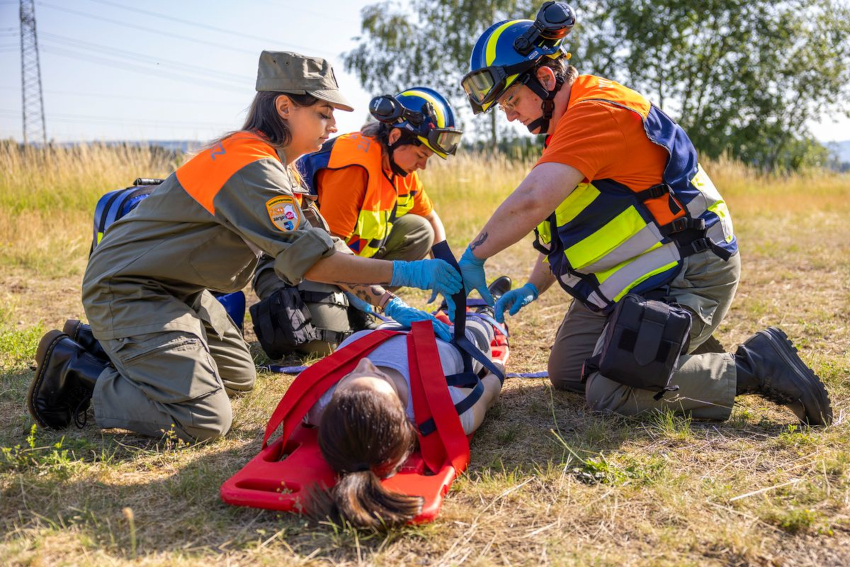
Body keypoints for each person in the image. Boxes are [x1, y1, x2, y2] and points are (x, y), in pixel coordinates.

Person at [27, 51, 462, 442]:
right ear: (285, 107)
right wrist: (406, 272)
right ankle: (80, 375)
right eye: (324, 113)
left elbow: (329, 247)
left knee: (239, 378)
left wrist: (391, 305)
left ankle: (105, 344)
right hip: (129, 289)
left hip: (177, 291)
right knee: (203, 418)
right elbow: (318, 264)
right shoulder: (251, 166)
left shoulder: (279, 167)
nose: (334, 126)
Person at [456, 3, 832, 425]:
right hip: (648, 274)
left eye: (511, 99)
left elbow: (531, 202)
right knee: (568, 371)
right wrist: (531, 287)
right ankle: (668, 347)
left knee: (609, 391)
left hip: (691, 272)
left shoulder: (595, 112)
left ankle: (754, 366)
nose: (508, 115)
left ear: (544, 78)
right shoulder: (567, 125)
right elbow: (566, 223)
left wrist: (473, 257)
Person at [250, 87, 462, 356]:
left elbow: (430, 218)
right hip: (295, 268)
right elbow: (328, 258)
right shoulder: (354, 168)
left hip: (343, 263)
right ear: (395, 136)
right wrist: (389, 303)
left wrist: (448, 266)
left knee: (420, 231)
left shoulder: (401, 168)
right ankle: (356, 305)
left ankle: (358, 303)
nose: (422, 166)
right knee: (323, 344)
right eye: (421, 156)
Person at [304, 297, 505, 529]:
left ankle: (446, 307)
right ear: (404, 419)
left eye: (349, 377)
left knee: (436, 311)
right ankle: (487, 310)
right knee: (477, 325)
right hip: (457, 339)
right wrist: (496, 372)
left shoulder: (318, 401)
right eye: (379, 375)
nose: (365, 363)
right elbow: (487, 395)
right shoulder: (443, 411)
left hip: (391, 326)